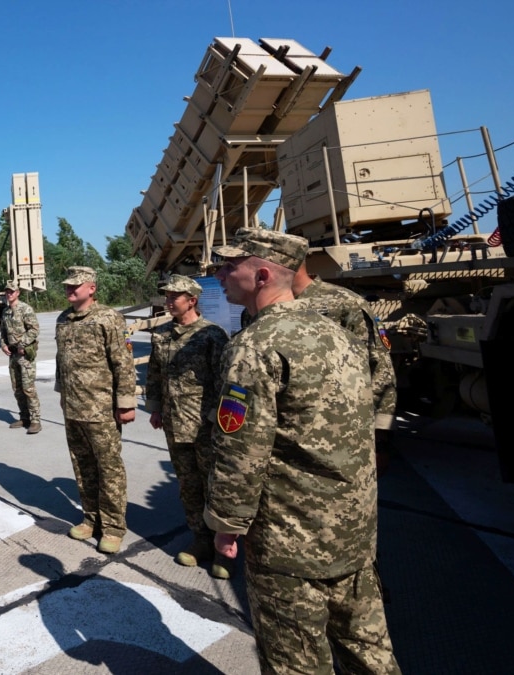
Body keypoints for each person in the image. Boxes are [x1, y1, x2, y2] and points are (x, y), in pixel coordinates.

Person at [206, 228, 399, 674]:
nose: (219, 274)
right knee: (368, 650)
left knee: (295, 662)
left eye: (229, 265)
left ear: (261, 275)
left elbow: (241, 451)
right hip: (353, 529)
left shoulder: (255, 346)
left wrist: (226, 525)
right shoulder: (337, 335)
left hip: (289, 541)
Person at [237, 251, 399, 462]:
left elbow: (379, 370)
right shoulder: (254, 310)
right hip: (279, 442)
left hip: (339, 438)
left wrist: (381, 439)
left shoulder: (343, 303)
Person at [145, 274, 231, 578]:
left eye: (174, 298)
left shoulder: (212, 335)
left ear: (191, 300)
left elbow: (225, 382)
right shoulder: (163, 334)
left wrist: (213, 419)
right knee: (188, 485)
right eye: (167, 297)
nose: (168, 302)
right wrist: (154, 408)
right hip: (173, 423)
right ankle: (201, 540)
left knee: (215, 486)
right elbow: (154, 374)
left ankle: (225, 550)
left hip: (204, 426)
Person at [55, 266, 138, 555]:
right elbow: (60, 361)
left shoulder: (108, 318)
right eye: (67, 285)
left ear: (92, 288)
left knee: (109, 469)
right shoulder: (63, 320)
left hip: (101, 410)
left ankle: (114, 527)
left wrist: (126, 403)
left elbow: (123, 362)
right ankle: (91, 518)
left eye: (76, 285)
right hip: (73, 408)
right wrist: (62, 395)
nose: (70, 289)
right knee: (83, 467)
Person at [0, 280, 42, 434]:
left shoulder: (25, 309)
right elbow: (3, 332)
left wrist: (22, 344)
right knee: (17, 389)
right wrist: (3, 345)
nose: (9, 294)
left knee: (28, 389)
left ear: (17, 293)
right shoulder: (5, 312)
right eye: (7, 292)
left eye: (12, 291)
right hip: (13, 356)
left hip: (25, 356)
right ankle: (24, 417)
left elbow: (34, 330)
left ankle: (35, 420)